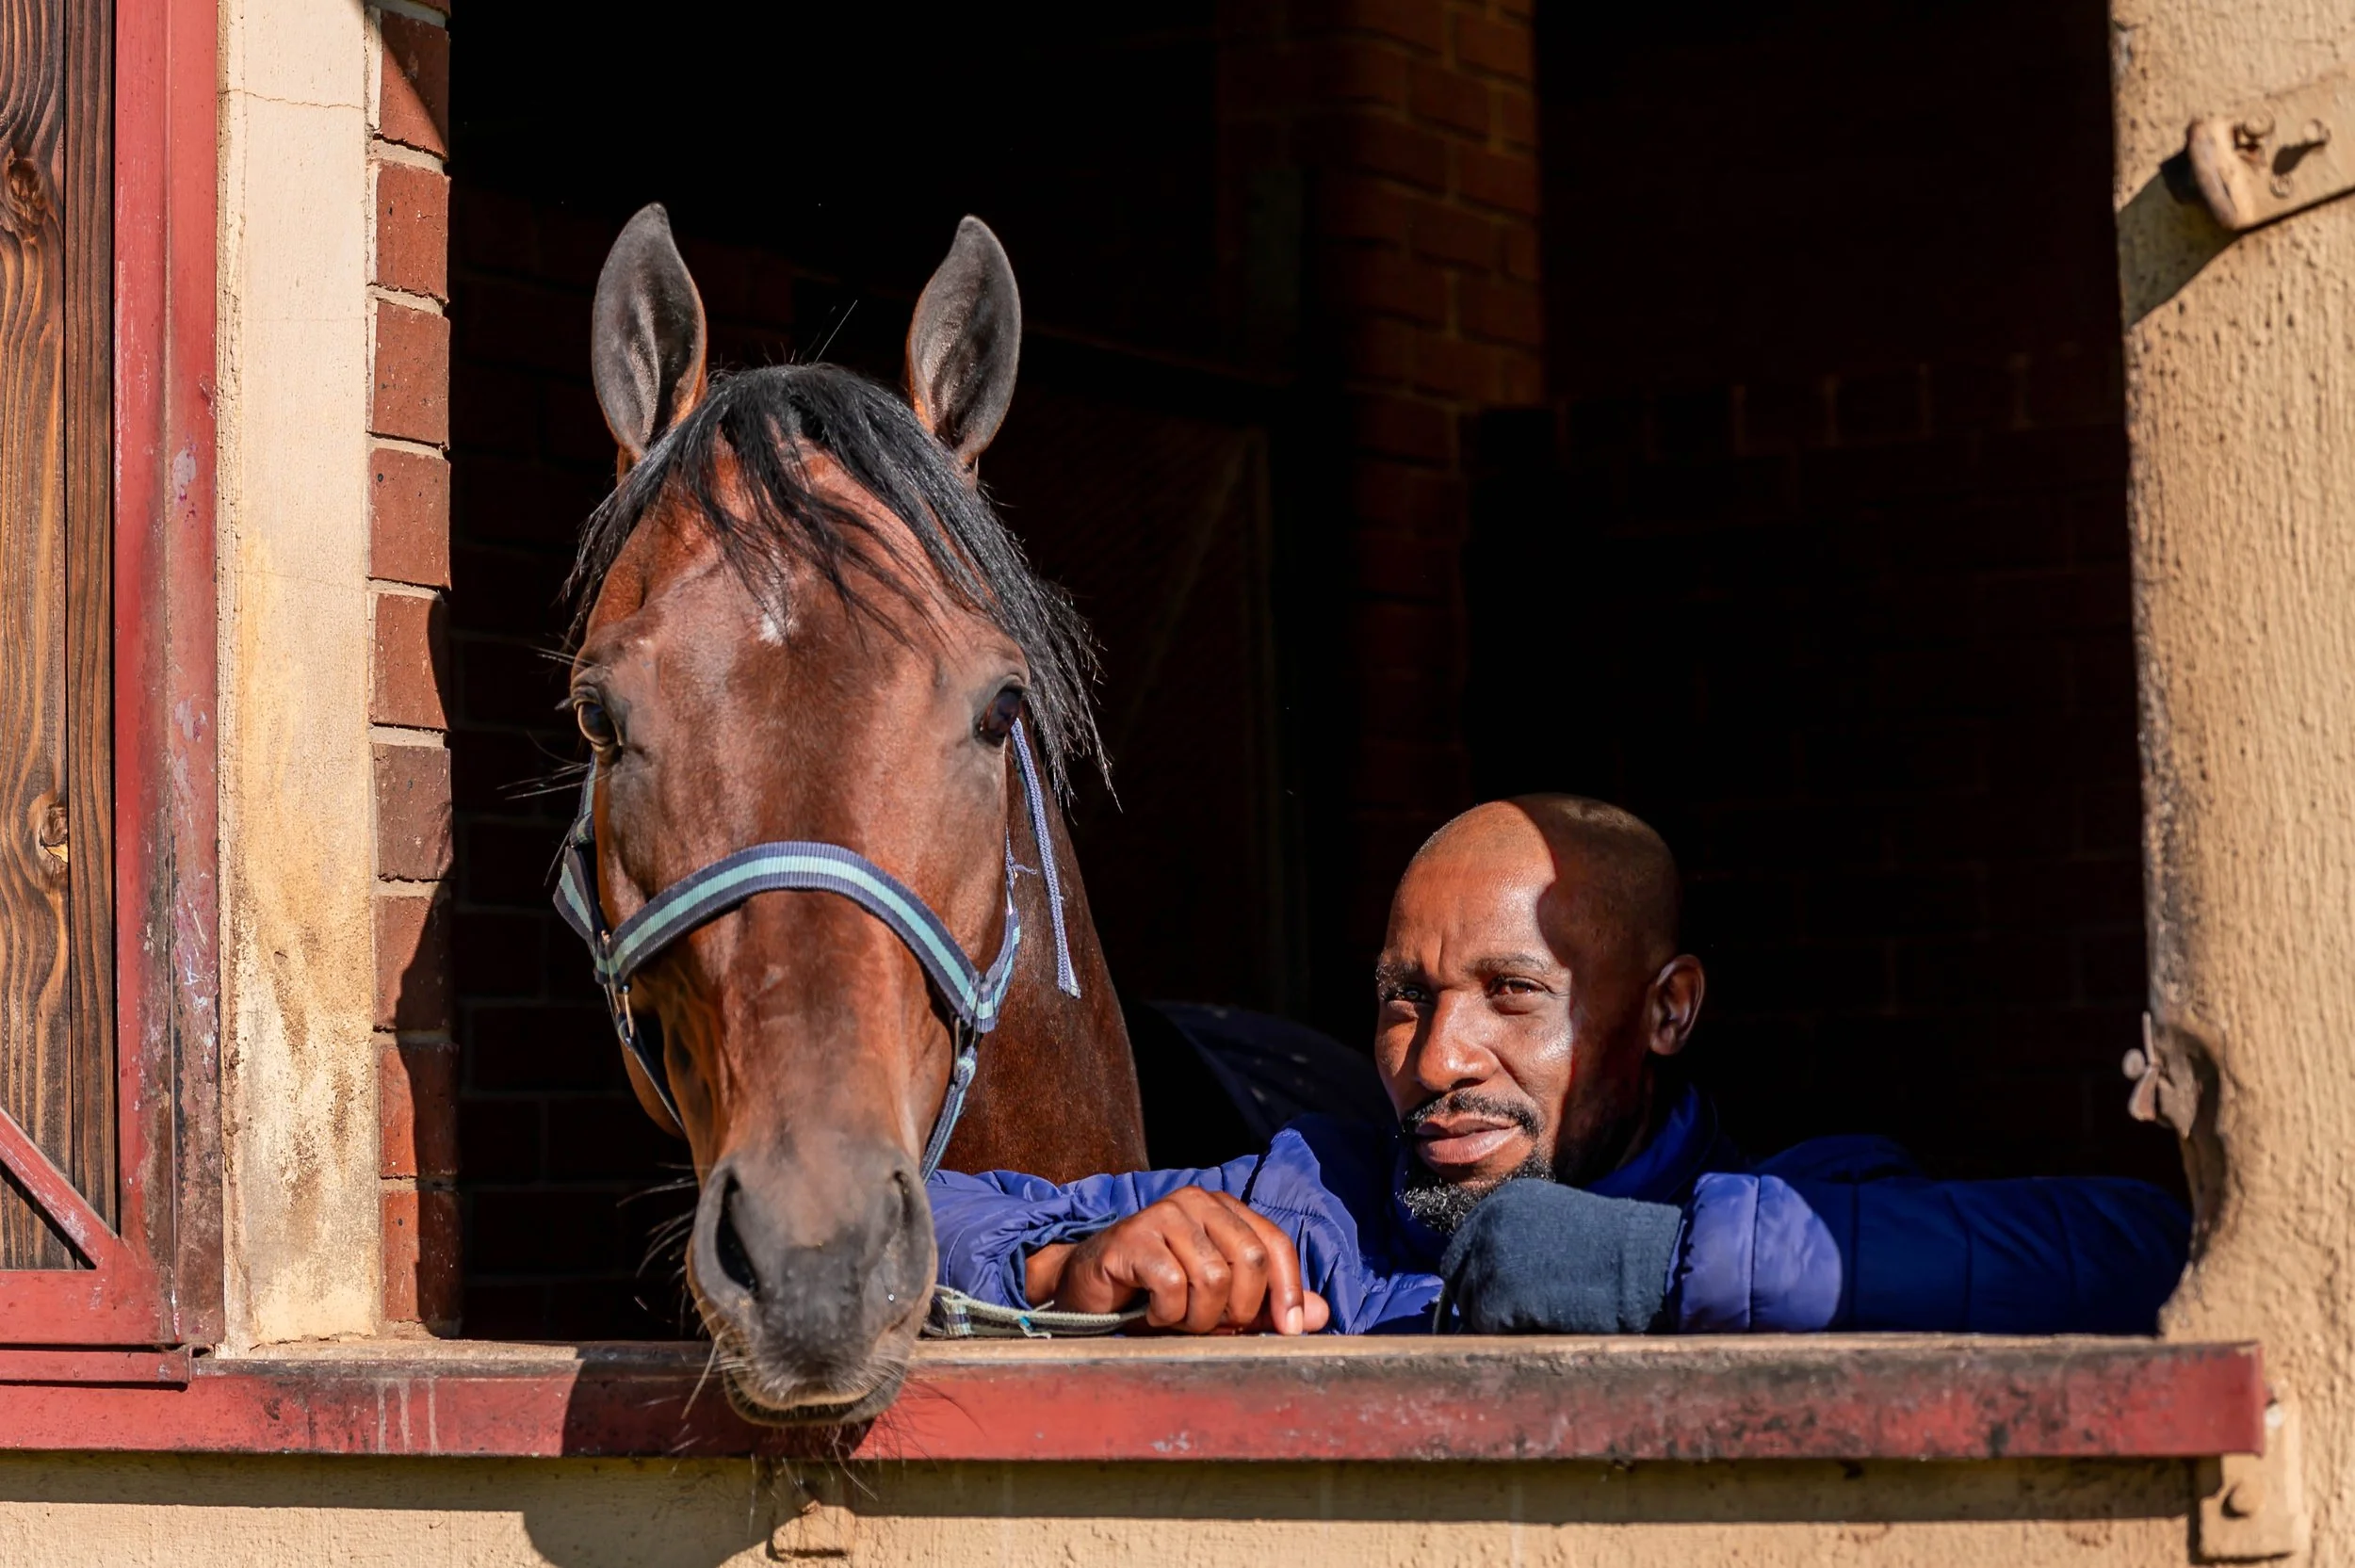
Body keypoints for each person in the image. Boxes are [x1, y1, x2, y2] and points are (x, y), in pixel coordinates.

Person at [929, 796, 2191, 1335]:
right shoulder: (1313, 1199)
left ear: (1668, 1012)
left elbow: (2150, 1249)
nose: (1438, 1059)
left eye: (1514, 996)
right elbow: (891, 1225)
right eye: (1402, 1001)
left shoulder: (1824, 1194)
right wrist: (1060, 1270)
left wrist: (1660, 1272)